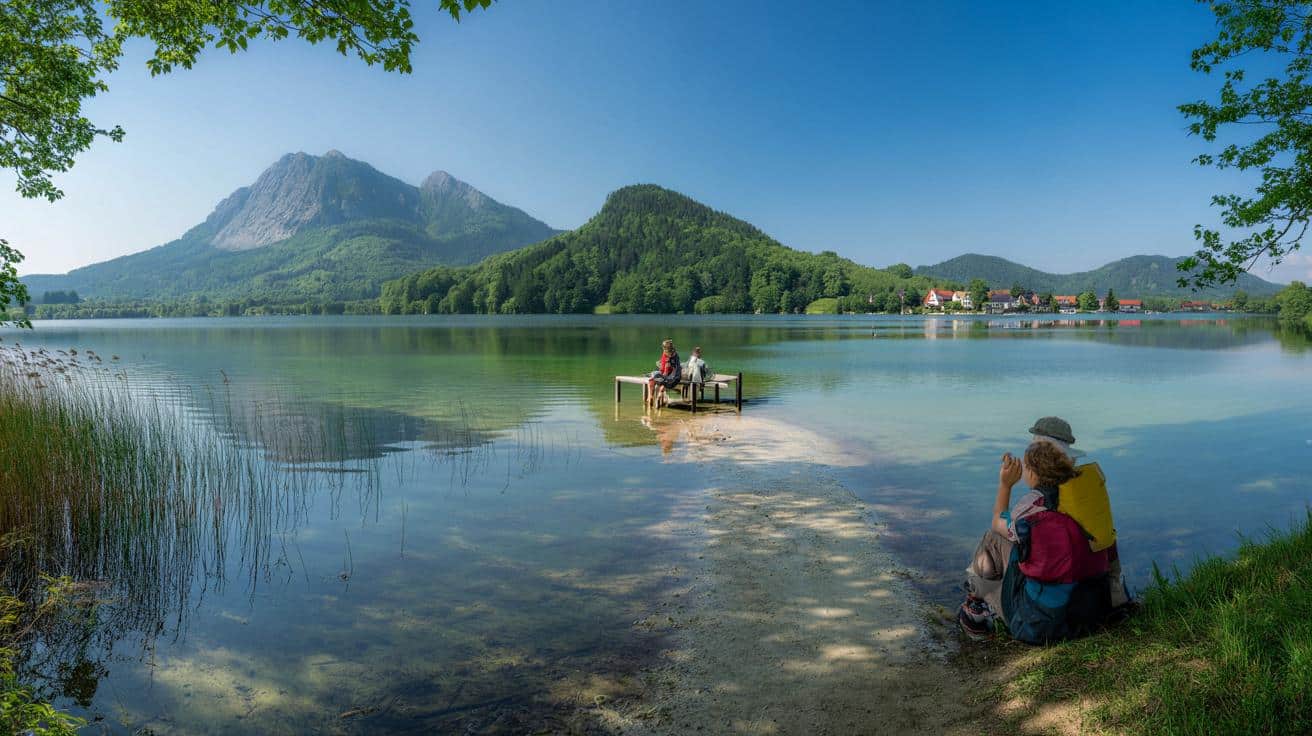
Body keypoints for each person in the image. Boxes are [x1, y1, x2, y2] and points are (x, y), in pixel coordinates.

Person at [959, 417, 1126, 642]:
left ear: (1033, 471)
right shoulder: (1089, 498)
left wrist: (1005, 485)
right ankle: (1118, 601)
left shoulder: (1032, 510)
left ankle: (976, 608)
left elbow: (998, 521)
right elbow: (1111, 551)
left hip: (1040, 625)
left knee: (992, 539)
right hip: (1091, 613)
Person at [647, 339, 681, 408]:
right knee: (657, 378)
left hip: (669, 378)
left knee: (652, 379)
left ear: (665, 348)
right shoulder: (675, 355)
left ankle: (651, 396)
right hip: (675, 377)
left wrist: (661, 376)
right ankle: (658, 395)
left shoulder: (668, 357)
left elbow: (666, 372)